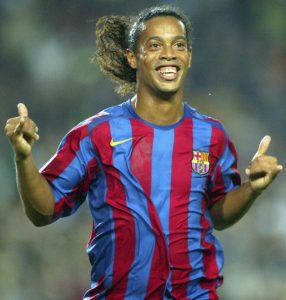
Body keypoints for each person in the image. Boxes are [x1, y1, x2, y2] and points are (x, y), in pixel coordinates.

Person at [5, 5, 282, 300]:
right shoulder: (97, 133)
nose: (168, 53)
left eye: (178, 44)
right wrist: (23, 158)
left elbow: (218, 213)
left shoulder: (211, 135)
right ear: (132, 57)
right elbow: (43, 211)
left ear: (189, 56)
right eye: (154, 45)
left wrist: (251, 189)